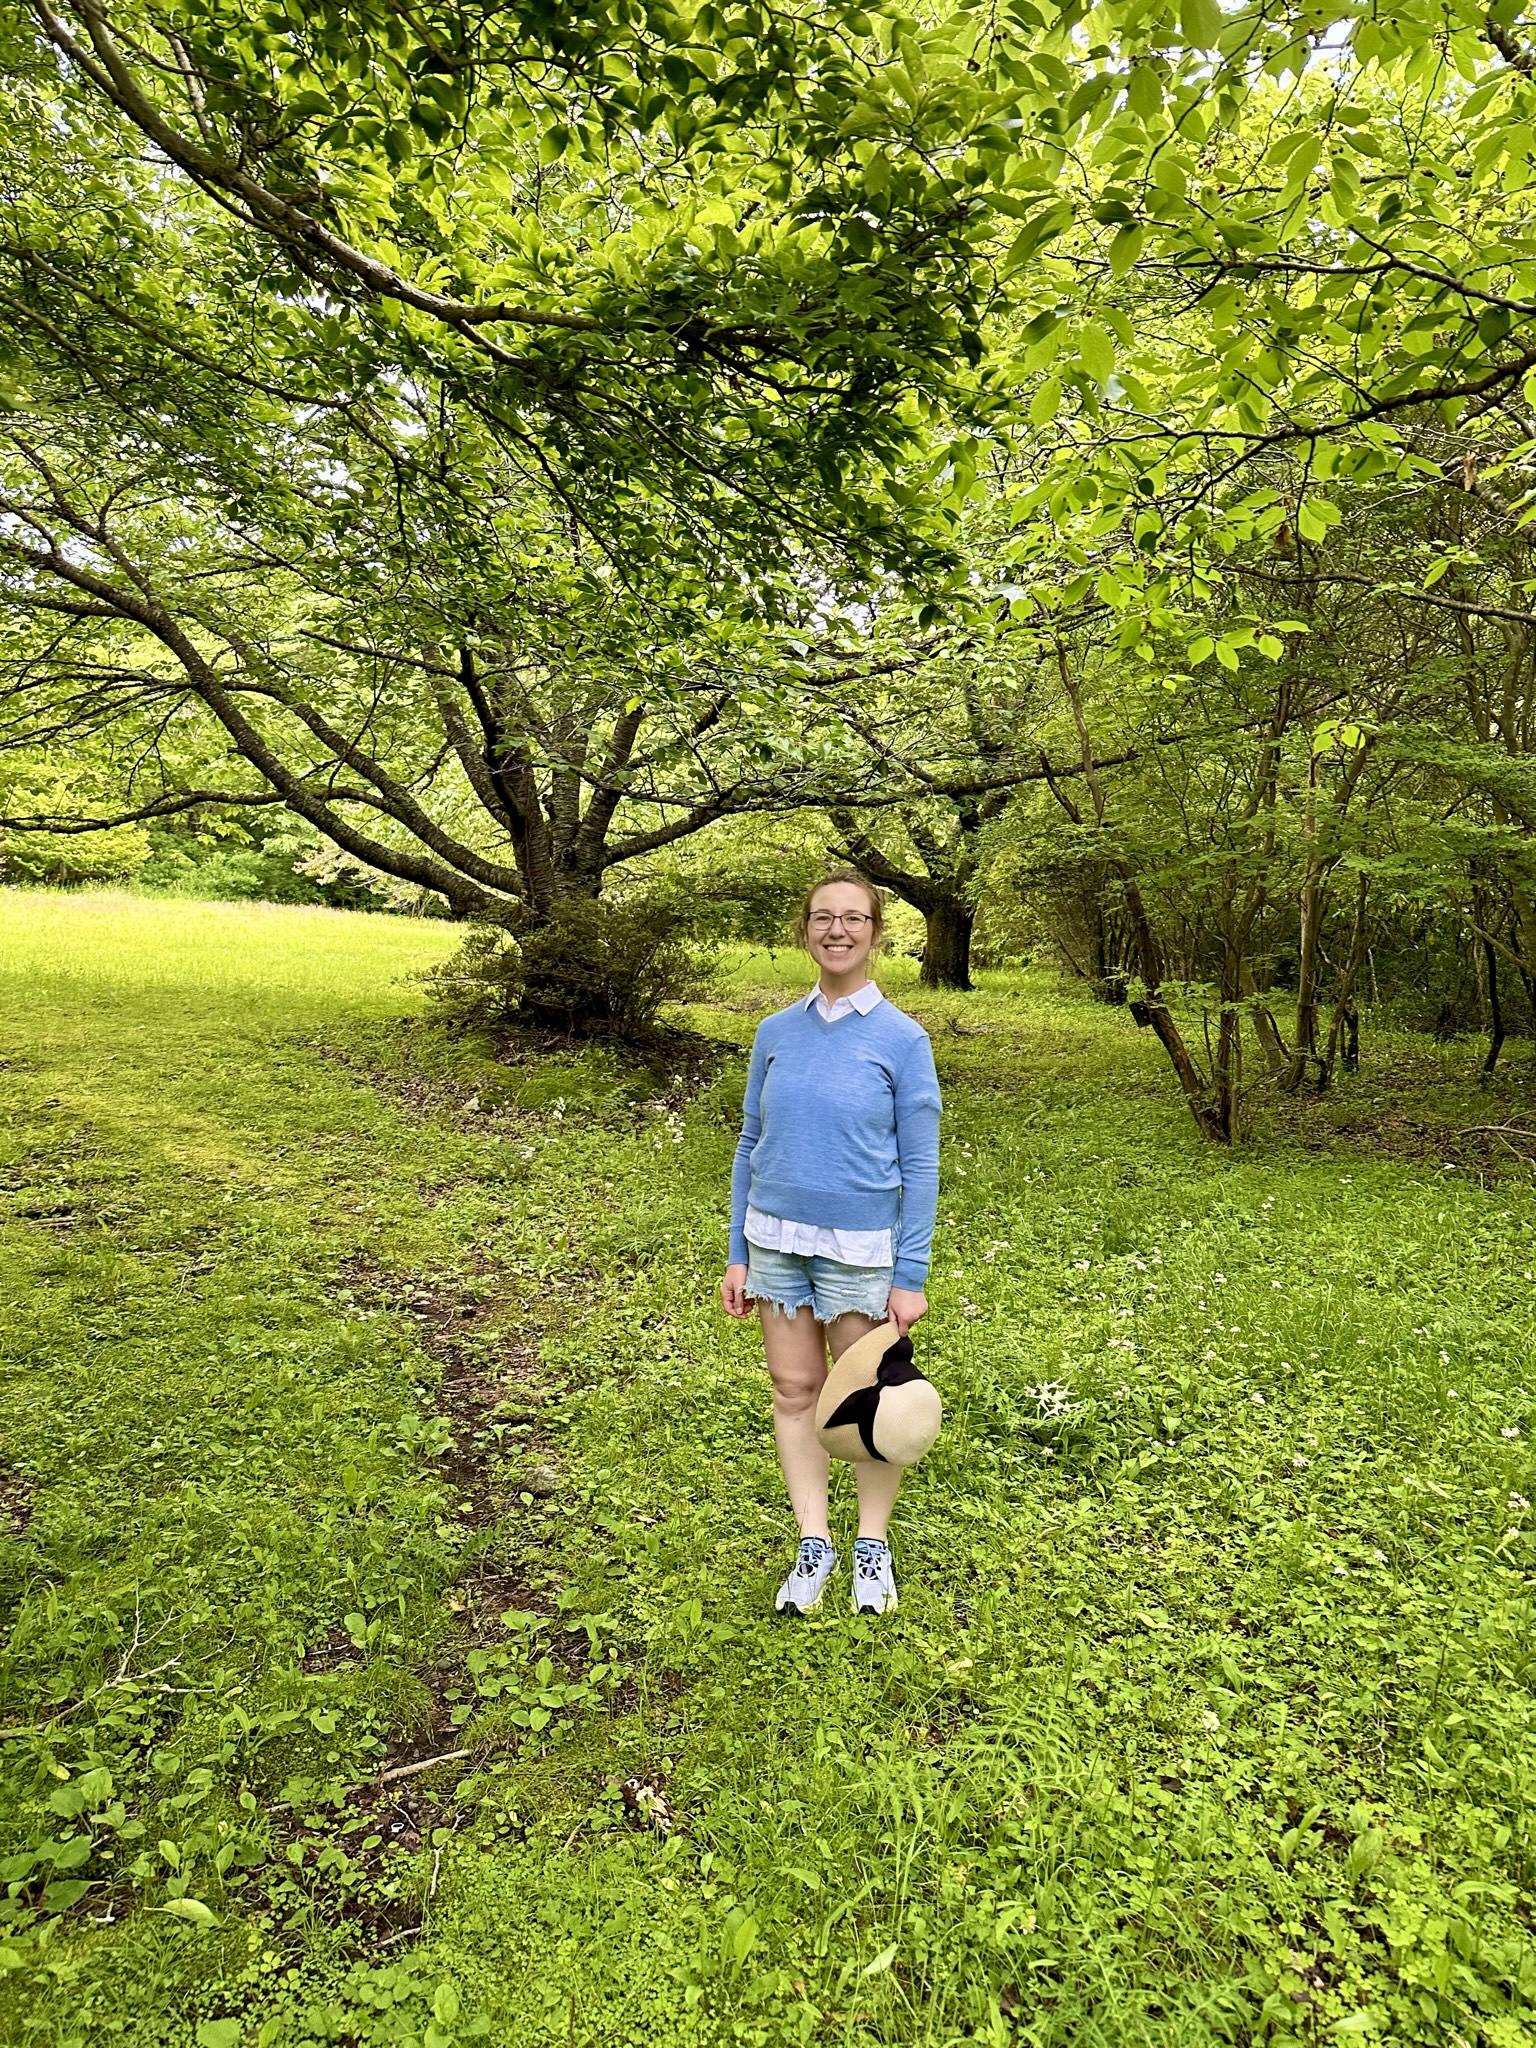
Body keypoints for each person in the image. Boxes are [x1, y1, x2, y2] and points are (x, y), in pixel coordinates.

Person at [720, 869, 941, 1616]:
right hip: (775, 1242)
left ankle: (871, 1546)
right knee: (794, 1393)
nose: (837, 930)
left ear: (876, 933)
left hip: (860, 1250)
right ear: (805, 929)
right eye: (823, 917)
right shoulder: (775, 1032)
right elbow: (752, 1139)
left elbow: (922, 1164)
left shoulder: (903, 1041)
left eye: (853, 918)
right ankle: (814, 1541)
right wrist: (738, 1251)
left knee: (867, 1400)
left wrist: (908, 1273)